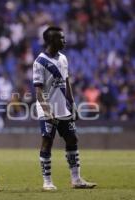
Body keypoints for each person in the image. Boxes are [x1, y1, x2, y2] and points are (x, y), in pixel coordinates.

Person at [33, 26, 97, 191]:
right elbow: (38, 91)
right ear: (51, 41)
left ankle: (76, 179)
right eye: (61, 38)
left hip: (64, 108)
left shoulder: (63, 59)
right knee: (47, 142)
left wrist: (73, 104)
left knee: (72, 139)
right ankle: (47, 181)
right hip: (47, 109)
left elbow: (66, 82)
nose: (64, 40)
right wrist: (47, 110)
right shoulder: (39, 62)